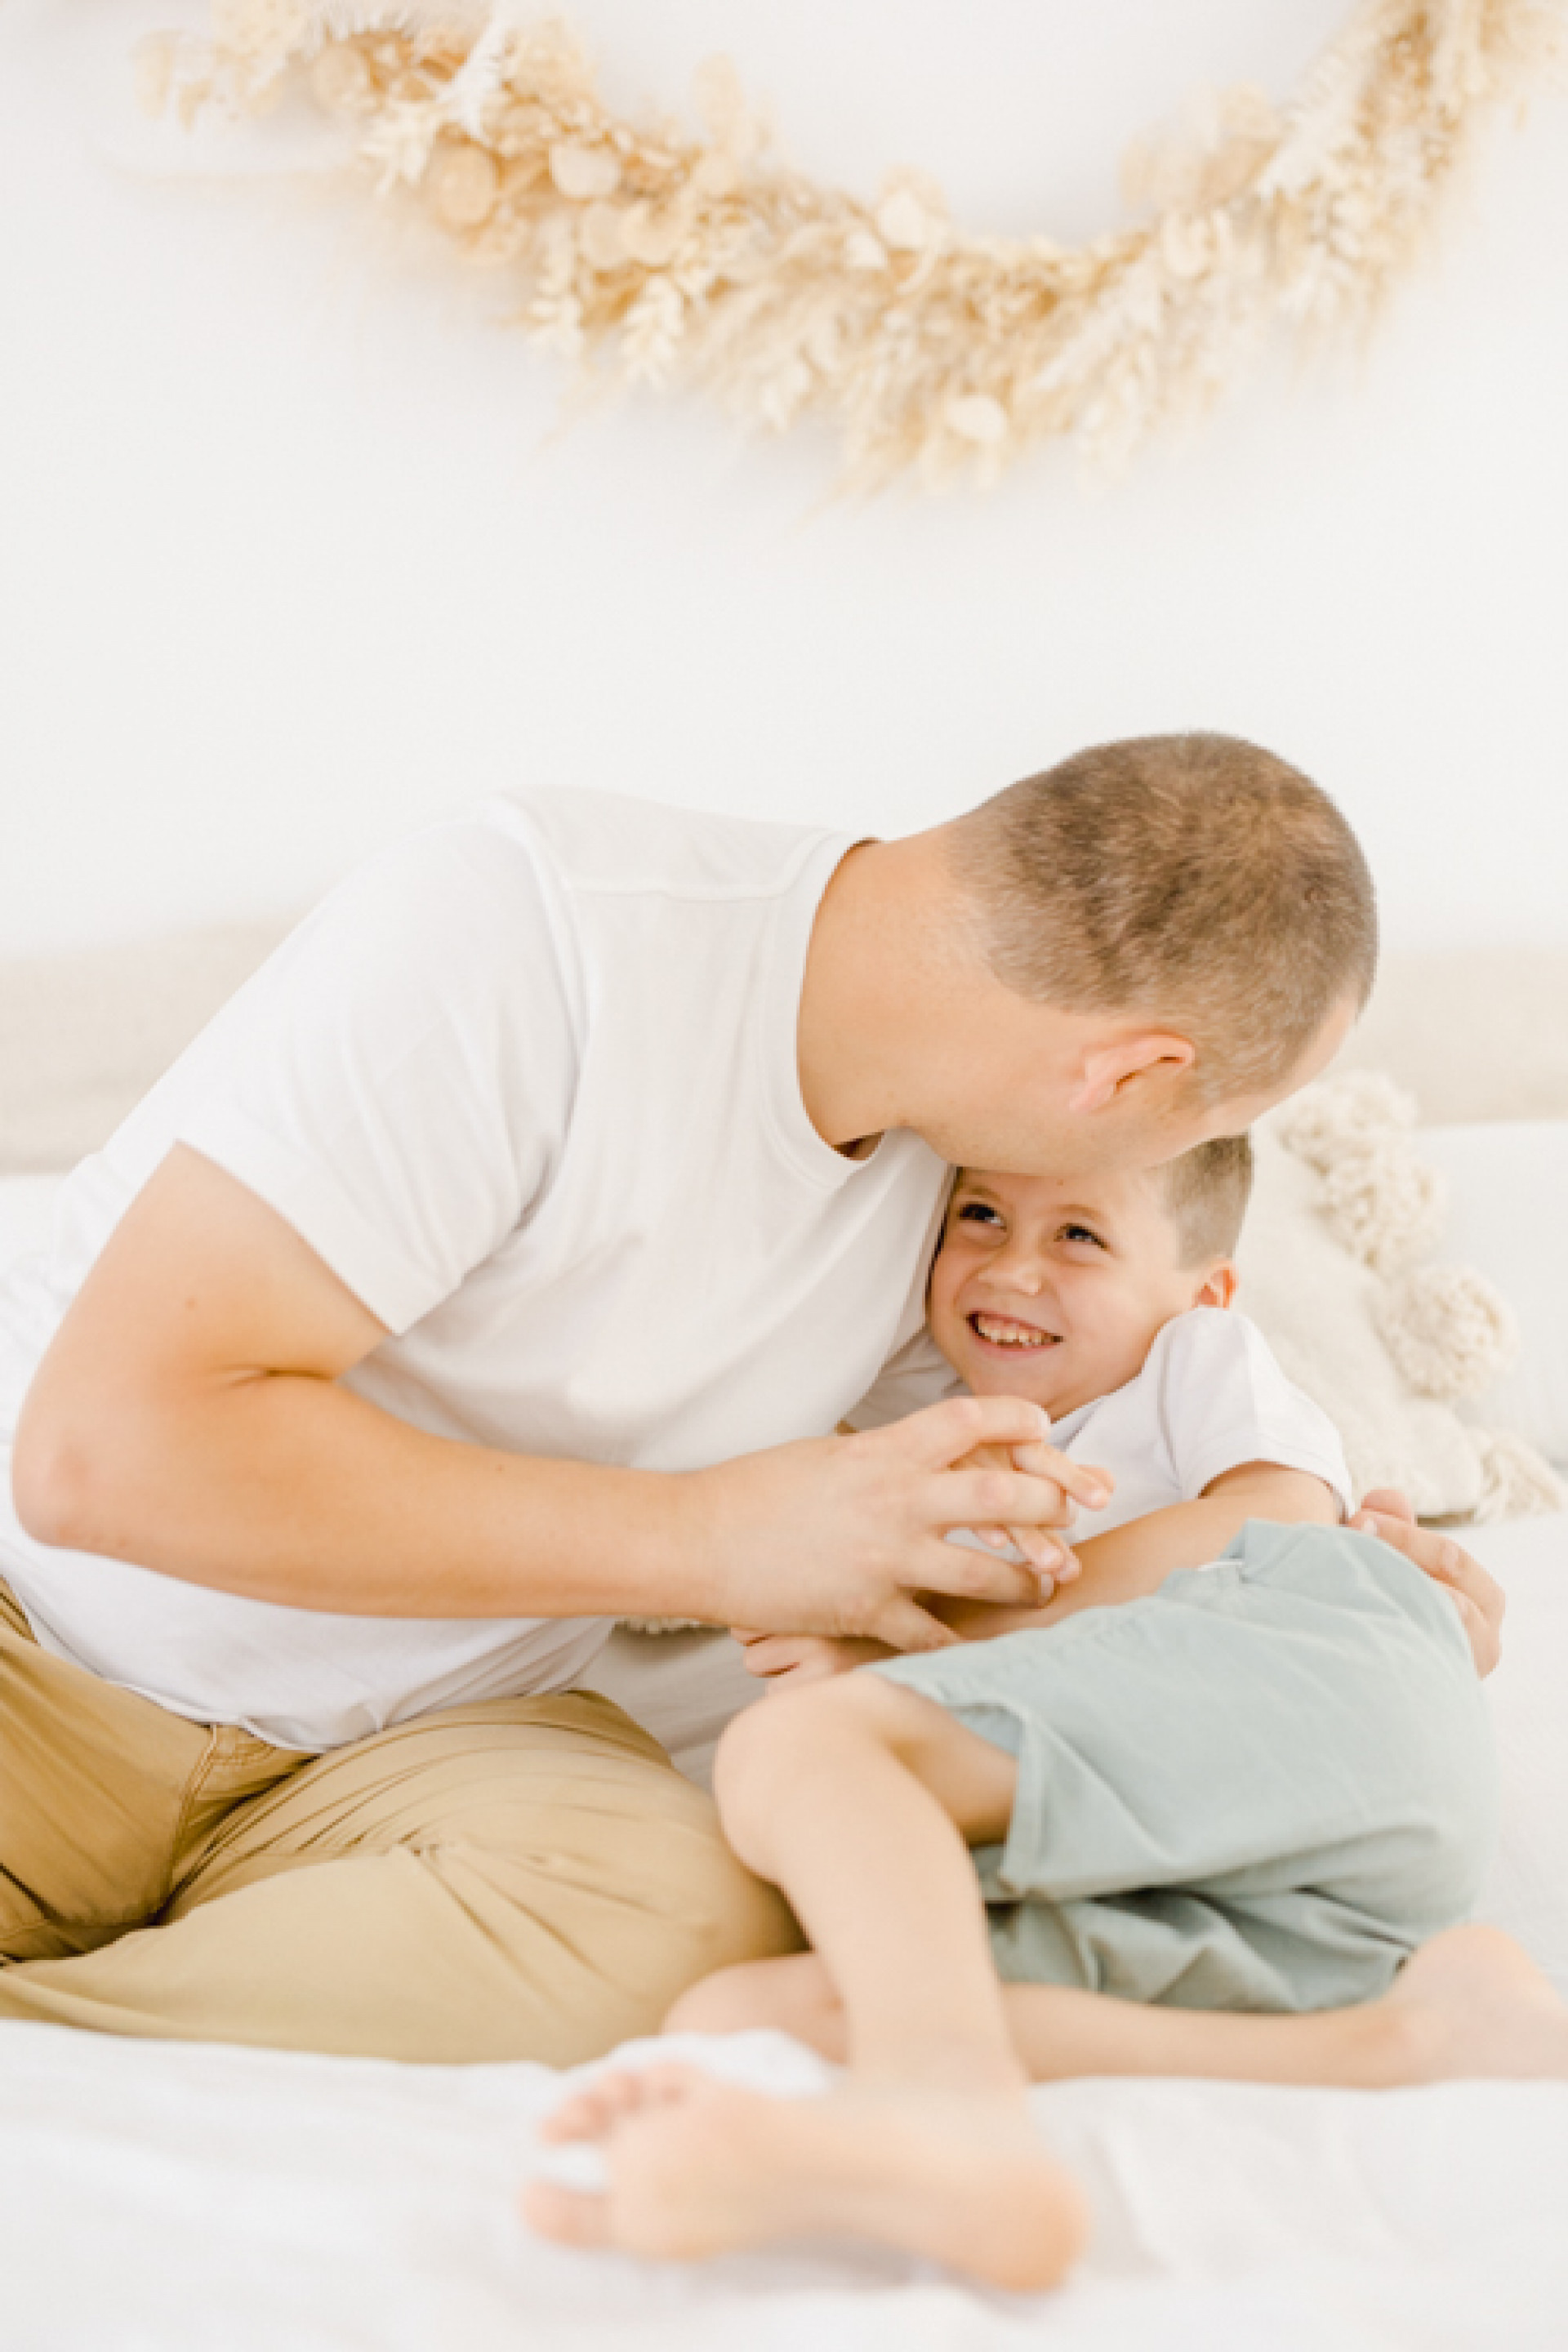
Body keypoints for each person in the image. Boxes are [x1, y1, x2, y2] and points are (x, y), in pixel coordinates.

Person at [0, 732, 1470, 2064]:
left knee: (695, 1917)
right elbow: (97, 1456)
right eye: (1226, 1122)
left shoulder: (962, 1199)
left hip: (430, 1749)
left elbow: (1108, 1464)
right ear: (1135, 1075)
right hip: (45, 1651)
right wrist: (703, 1536)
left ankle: (57, 2048)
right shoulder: (531, 932)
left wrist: (1323, 1580)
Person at [523, 1147, 1566, 2285]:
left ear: (1202, 1290)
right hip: (1239, 1873)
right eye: (978, 1215)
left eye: (1080, 1235)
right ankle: (1404, 2049)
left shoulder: (1191, 1364)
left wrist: (913, 1651)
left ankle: (948, 2121)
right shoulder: (916, 1444)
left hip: (1332, 1694)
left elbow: (1274, 1519)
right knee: (745, 2021)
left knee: (797, 1748)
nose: (1013, 1266)